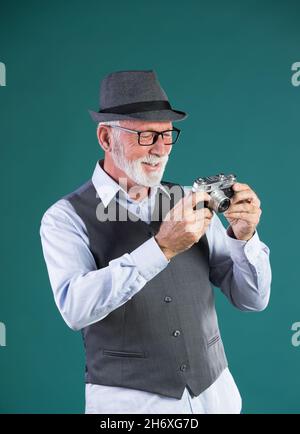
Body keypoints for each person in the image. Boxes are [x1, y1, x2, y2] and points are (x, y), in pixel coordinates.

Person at [40, 70, 271, 414]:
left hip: (216, 398)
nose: (161, 149)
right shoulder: (64, 217)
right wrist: (161, 248)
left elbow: (252, 299)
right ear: (106, 137)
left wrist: (244, 236)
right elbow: (75, 309)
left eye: (166, 135)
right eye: (147, 136)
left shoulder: (188, 200)